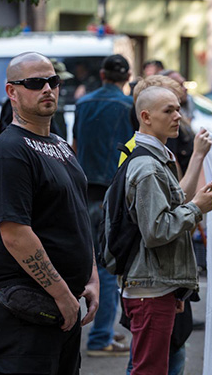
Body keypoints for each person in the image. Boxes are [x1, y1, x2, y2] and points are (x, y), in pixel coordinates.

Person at [0, 52, 99, 375]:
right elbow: (16, 234)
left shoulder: (60, 145)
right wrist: (61, 294)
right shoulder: (9, 153)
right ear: (12, 92)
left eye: (53, 81)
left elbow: (75, 212)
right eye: (35, 83)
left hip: (63, 310)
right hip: (23, 312)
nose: (47, 89)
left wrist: (91, 275)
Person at [116, 85, 212, 375]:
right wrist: (197, 208)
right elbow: (156, 230)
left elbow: (170, 209)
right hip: (149, 289)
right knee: (149, 370)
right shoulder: (147, 167)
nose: (178, 116)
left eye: (178, 108)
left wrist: (175, 287)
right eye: (168, 110)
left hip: (158, 285)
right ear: (146, 116)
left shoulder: (157, 158)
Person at [72, 54, 133, 357]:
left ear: (102, 73)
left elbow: (75, 146)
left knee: (90, 262)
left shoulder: (83, 104)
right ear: (127, 76)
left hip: (83, 191)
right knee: (108, 268)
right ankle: (100, 336)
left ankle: (101, 330)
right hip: (112, 192)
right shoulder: (127, 106)